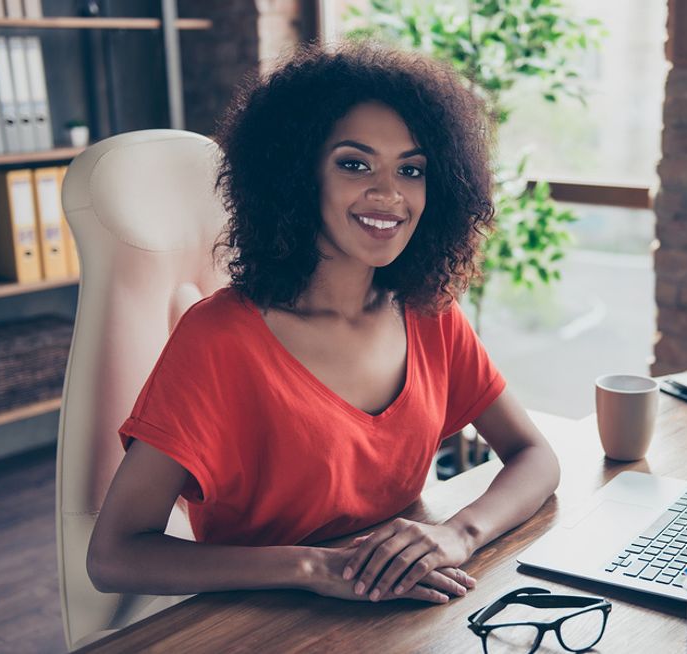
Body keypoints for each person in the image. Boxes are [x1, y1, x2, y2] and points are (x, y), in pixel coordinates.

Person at [87, 41, 560, 606]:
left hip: (408, 614)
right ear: (296, 174)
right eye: (355, 164)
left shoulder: (429, 313)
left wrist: (457, 534)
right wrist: (312, 566)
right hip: (260, 628)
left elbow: (537, 457)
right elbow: (113, 555)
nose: (389, 195)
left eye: (411, 170)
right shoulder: (218, 340)